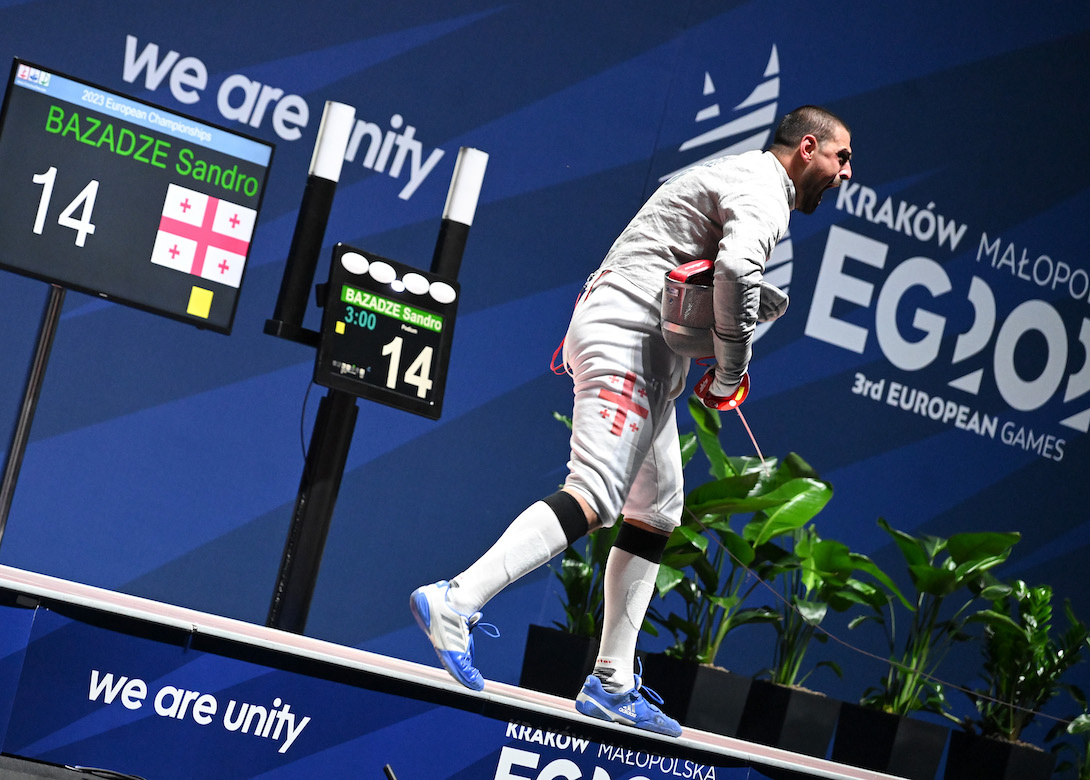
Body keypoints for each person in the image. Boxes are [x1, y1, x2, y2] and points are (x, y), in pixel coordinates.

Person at [411, 105, 853, 737]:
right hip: (628, 339)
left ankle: (611, 682)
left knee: (658, 509)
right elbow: (734, 271)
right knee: (593, 494)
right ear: (807, 148)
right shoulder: (764, 188)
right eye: (841, 158)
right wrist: (733, 366)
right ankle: (457, 600)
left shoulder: (744, 176)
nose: (845, 173)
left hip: (642, 346)